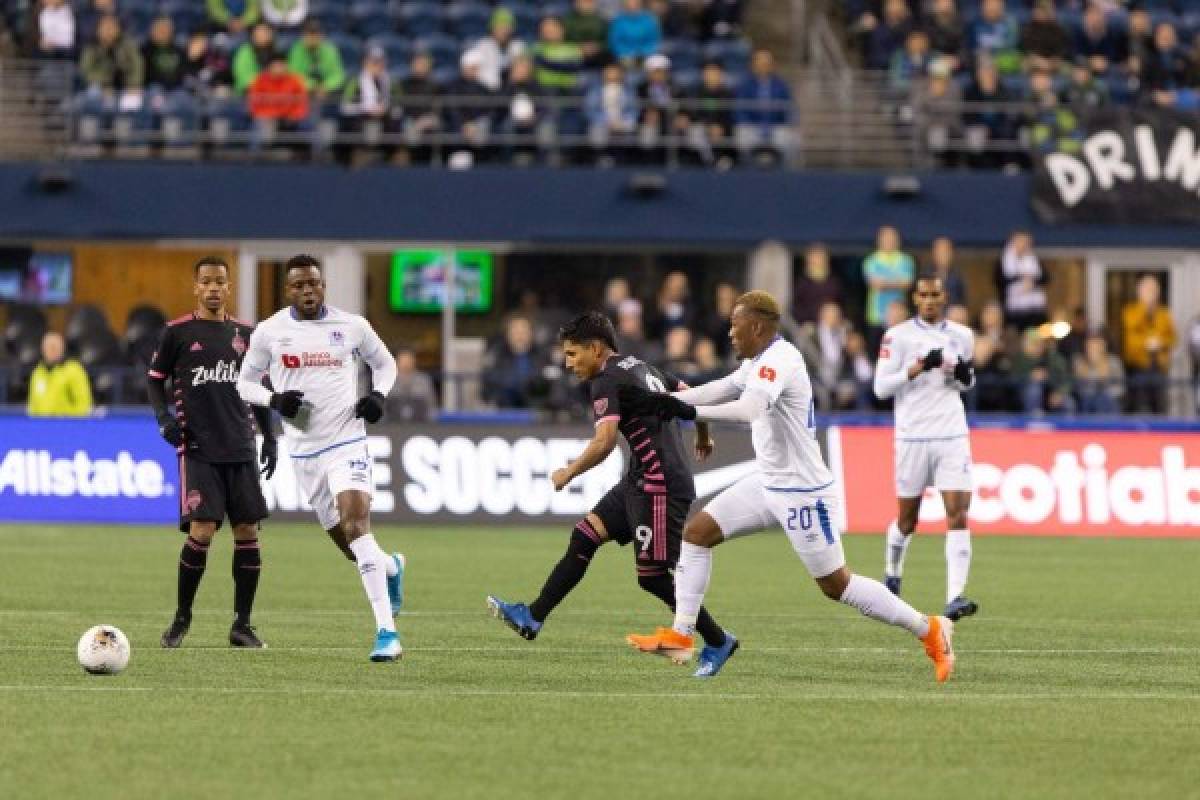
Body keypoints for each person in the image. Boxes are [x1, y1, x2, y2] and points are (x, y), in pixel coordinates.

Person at [621, 290, 956, 683]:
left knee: (836, 585)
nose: (730, 332)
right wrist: (663, 399)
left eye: (736, 324)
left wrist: (685, 410)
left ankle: (929, 628)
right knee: (695, 536)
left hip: (803, 492)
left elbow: (749, 409)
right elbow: (723, 387)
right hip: (768, 482)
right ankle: (682, 634)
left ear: (758, 326)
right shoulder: (758, 360)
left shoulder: (780, 359)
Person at [486, 312, 735, 678]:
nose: (569, 363)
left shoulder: (605, 380)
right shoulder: (640, 366)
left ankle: (717, 640)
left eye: (573, 354)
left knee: (651, 576)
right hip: (639, 479)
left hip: (659, 484)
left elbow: (604, 443)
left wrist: (568, 472)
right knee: (584, 535)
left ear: (596, 348)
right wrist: (702, 435)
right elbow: (691, 397)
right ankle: (533, 617)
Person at [236, 255, 406, 662]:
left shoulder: (352, 326)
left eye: (313, 283)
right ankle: (391, 567)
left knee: (356, 524)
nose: (307, 291)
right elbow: (243, 383)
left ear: (323, 285)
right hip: (305, 452)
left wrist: (379, 396)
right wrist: (274, 399)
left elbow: (385, 364)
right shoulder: (270, 332)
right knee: (349, 545)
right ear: (287, 290)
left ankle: (387, 633)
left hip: (348, 441)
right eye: (298, 285)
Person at [149, 257, 276, 650]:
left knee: (247, 532)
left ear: (229, 286)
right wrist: (163, 420)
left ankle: (242, 625)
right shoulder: (177, 333)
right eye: (206, 282)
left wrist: (270, 437)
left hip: (240, 447)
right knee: (202, 530)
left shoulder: (246, 334)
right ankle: (181, 619)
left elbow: (258, 390)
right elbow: (155, 381)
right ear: (196, 288)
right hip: (199, 448)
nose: (214, 288)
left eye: (220, 282)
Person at [872, 271, 978, 622]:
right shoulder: (897, 336)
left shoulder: (963, 335)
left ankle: (955, 597)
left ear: (944, 298)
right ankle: (892, 572)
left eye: (936, 295)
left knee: (958, 513)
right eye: (924, 295)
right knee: (907, 520)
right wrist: (916, 369)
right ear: (915, 299)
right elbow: (881, 389)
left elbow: (966, 382)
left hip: (951, 433)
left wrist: (964, 376)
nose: (930, 301)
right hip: (912, 436)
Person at [1121, 273, 1176, 414]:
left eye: (1153, 289)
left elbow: (1172, 338)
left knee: (1161, 406)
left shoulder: (1164, 313)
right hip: (1138, 366)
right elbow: (1130, 337)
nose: (1150, 293)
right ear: (1139, 291)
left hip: (1159, 366)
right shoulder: (1131, 311)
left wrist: (1160, 342)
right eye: (1147, 289)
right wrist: (1145, 307)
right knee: (1139, 406)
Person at [863, 225, 914, 351]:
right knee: (877, 355)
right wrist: (897, 281)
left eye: (892, 238)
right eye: (885, 238)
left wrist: (885, 282)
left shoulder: (906, 260)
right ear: (879, 240)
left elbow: (907, 283)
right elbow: (875, 284)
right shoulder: (871, 260)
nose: (889, 241)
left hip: (899, 317)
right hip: (876, 316)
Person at [27, 331, 93, 416]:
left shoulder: (74, 370)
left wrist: (73, 424)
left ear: (62, 348)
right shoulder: (37, 372)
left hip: (66, 426)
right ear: (43, 349)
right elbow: (32, 405)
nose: (51, 350)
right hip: (42, 427)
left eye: (55, 347)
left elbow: (84, 403)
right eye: (48, 347)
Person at [996, 230, 1047, 333]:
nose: (1023, 245)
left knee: (1033, 335)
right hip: (1013, 312)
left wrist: (1031, 281)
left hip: (1034, 310)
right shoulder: (1003, 261)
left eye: (1026, 242)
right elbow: (999, 281)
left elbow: (1045, 278)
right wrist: (1021, 277)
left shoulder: (1035, 260)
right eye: (1020, 241)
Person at [467, 7, 526, 92]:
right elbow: (471, 70)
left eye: (507, 26)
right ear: (492, 28)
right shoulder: (482, 44)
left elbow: (521, 72)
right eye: (499, 26)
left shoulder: (518, 45)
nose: (503, 30)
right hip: (485, 90)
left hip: (511, 90)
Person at [288, 19, 346, 101]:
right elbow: (293, 75)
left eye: (315, 34)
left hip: (328, 92)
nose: (312, 38)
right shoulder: (297, 50)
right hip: (305, 92)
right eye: (309, 34)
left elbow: (338, 75)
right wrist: (313, 86)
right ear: (303, 36)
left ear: (321, 36)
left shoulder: (329, 50)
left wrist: (326, 87)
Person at [1074, 331, 1124, 414]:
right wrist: (1089, 367)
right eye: (1089, 347)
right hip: (1086, 399)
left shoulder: (1113, 362)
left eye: (1095, 347)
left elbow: (1121, 387)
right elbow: (1078, 388)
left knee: (1103, 400)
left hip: (1109, 400)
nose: (1091, 350)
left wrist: (1102, 369)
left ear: (1102, 347)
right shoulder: (1079, 361)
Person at [793, 243, 841, 325]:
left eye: (820, 257)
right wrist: (806, 322)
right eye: (814, 257)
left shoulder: (833, 281)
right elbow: (797, 306)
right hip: (809, 324)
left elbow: (839, 301)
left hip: (832, 323)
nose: (817, 260)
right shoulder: (802, 282)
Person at [385, 347, 437, 422]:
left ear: (414, 361)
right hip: (393, 423)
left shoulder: (424, 380)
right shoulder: (387, 380)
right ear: (396, 362)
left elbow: (431, 404)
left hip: (421, 423)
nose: (406, 364)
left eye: (408, 360)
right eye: (403, 360)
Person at [608, 0, 661, 66]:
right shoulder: (618, 21)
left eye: (635, 4)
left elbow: (654, 40)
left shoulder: (649, 20)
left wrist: (644, 52)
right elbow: (615, 41)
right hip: (625, 56)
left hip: (647, 55)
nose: (632, 6)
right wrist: (627, 53)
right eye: (629, 4)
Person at [929, 236, 965, 307]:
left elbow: (963, 301)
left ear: (951, 254)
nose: (942, 255)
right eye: (939, 251)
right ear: (933, 253)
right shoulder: (924, 275)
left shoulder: (957, 276)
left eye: (945, 251)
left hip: (951, 312)